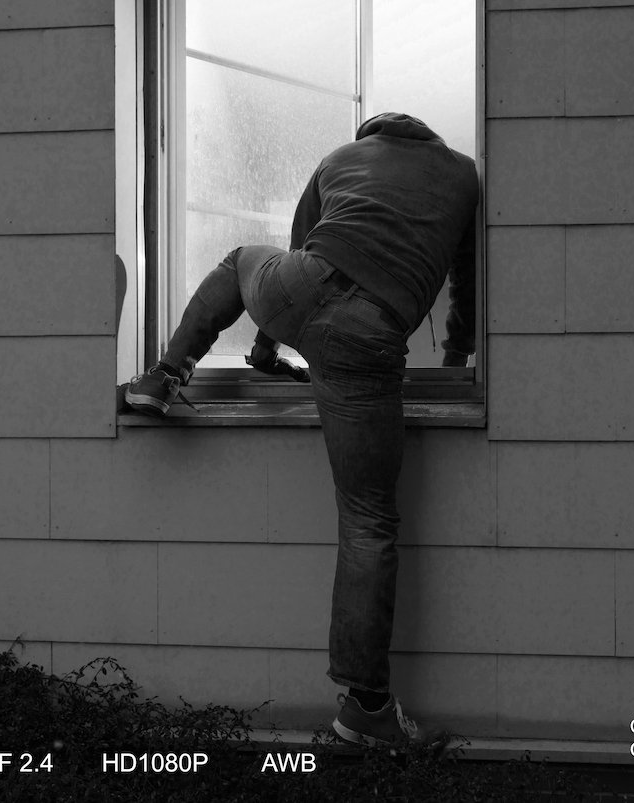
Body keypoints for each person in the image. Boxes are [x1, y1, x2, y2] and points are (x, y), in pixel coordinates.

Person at [119, 112, 479, 747]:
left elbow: (300, 246)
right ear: (427, 140)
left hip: (297, 288)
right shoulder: (463, 176)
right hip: (370, 333)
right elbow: (468, 286)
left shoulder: (340, 157)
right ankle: (365, 710)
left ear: (374, 137)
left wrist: (265, 343)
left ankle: (162, 374)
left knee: (240, 260)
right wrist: (456, 364)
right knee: (369, 519)